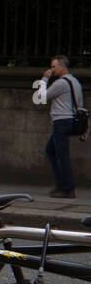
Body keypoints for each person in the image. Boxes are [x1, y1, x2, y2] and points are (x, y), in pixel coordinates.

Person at [40, 55, 82, 198]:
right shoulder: (75, 81)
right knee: (51, 151)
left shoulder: (61, 83)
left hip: (61, 122)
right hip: (69, 121)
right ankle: (61, 184)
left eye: (53, 67)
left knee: (62, 156)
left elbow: (41, 97)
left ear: (62, 67)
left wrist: (44, 79)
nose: (51, 70)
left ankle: (68, 189)